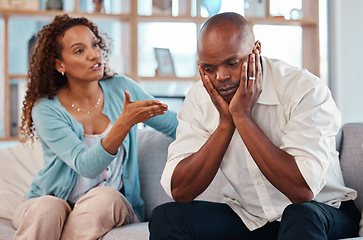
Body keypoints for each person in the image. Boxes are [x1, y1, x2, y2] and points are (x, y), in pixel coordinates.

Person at [149, 12, 360, 240]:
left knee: (300, 215)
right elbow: (181, 191)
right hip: (250, 218)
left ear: (256, 50)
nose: (221, 76)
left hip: (322, 210)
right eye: (209, 69)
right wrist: (225, 124)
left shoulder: (304, 89)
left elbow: (302, 191)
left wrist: (243, 116)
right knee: (167, 216)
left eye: (232, 63)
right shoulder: (199, 99)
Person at [13, 14, 178, 240]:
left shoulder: (122, 89)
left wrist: (222, 123)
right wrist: (124, 122)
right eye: (79, 50)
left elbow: (174, 125)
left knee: (104, 197)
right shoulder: (46, 109)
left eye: (95, 44)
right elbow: (86, 165)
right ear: (59, 64)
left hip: (109, 205)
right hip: (51, 204)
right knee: (48, 208)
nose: (94, 54)